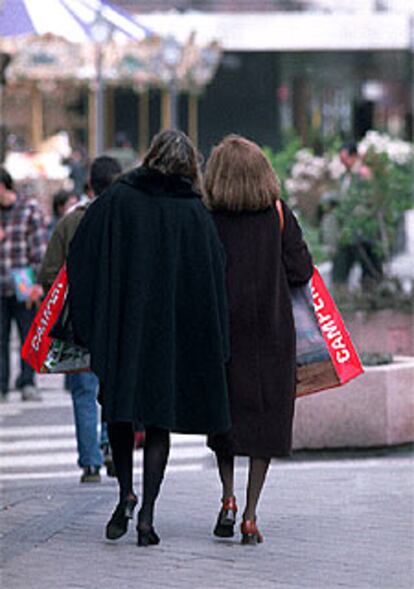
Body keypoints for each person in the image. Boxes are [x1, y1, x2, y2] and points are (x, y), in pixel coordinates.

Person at [67, 130, 231, 546]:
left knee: (120, 412)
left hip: (123, 327)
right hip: (169, 335)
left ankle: (125, 493)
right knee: (158, 422)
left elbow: (82, 251)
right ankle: (148, 517)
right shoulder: (195, 213)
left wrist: (95, 317)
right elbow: (212, 278)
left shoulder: (118, 200)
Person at [204, 135, 313, 545]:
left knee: (225, 422)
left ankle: (227, 499)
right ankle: (250, 515)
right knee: (264, 424)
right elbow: (301, 270)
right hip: (271, 336)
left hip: (223, 336)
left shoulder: (209, 218)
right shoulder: (279, 216)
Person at [39, 156, 122, 483]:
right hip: (118, 323)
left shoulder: (70, 223)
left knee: (84, 392)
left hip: (79, 325)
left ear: (89, 184)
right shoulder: (126, 221)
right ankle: (111, 445)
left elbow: (48, 273)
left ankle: (90, 463)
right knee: (114, 389)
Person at [0, 167, 47, 402]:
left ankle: (28, 381)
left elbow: (39, 251)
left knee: (27, 335)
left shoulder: (28, 209)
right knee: (1, 338)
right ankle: (2, 386)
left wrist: (39, 283)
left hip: (23, 284)